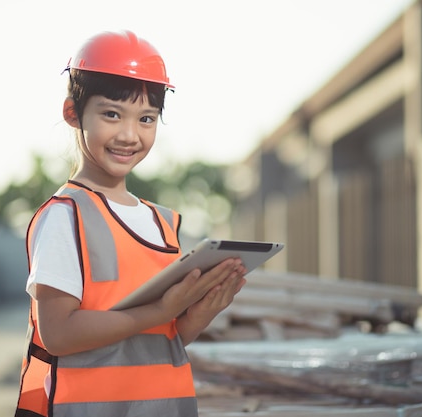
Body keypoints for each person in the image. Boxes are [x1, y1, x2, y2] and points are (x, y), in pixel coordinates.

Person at [14, 30, 247, 417]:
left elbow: (159, 341)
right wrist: (160, 310)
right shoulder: (66, 216)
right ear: (72, 112)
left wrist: (201, 312)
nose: (129, 135)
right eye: (111, 114)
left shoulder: (163, 223)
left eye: (146, 119)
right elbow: (57, 335)